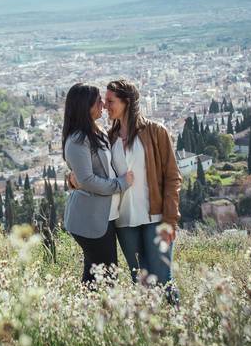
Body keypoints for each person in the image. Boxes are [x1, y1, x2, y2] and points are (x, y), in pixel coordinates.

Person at [75, 79, 182, 302]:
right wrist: (72, 178)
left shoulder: (155, 132)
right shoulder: (108, 137)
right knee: (140, 281)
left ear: (127, 102)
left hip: (156, 217)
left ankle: (176, 327)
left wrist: (171, 219)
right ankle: (151, 329)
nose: (105, 106)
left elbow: (172, 177)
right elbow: (93, 170)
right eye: (104, 101)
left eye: (110, 101)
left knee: (163, 278)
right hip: (124, 222)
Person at [61, 83, 134, 286]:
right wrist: (121, 184)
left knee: (95, 274)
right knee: (108, 275)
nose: (103, 104)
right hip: (89, 219)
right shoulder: (78, 139)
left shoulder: (97, 131)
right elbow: (88, 180)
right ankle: (101, 315)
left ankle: (85, 314)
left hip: (103, 216)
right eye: (98, 101)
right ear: (86, 107)